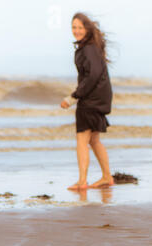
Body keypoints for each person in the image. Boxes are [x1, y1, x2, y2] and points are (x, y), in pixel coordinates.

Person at [60, 12, 114, 190]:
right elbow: (93, 75)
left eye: (79, 27)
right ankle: (107, 176)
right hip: (99, 96)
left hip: (92, 98)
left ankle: (82, 181)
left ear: (87, 29)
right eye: (74, 27)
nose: (76, 31)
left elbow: (93, 75)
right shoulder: (89, 47)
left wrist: (73, 97)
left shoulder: (88, 48)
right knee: (94, 139)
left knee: (82, 139)